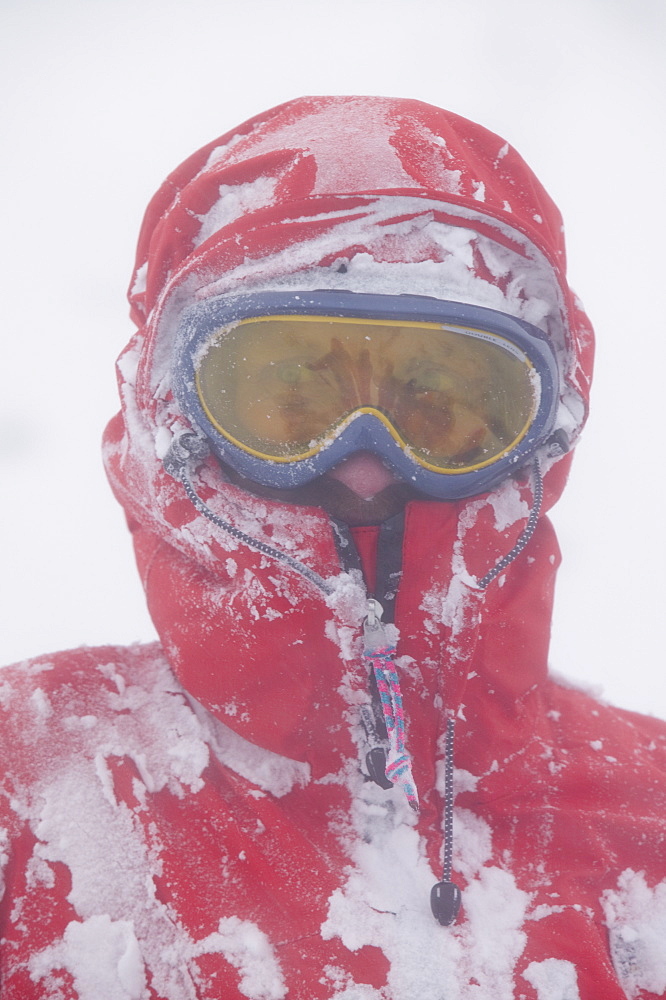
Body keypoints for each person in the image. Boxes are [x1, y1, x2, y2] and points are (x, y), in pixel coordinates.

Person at [1, 96, 664, 1000]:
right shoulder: (28, 778)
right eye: (288, 399)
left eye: (439, 404)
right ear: (175, 418)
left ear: (537, 440)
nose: (363, 464)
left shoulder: (650, 813)